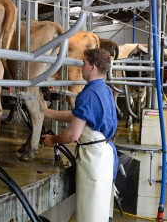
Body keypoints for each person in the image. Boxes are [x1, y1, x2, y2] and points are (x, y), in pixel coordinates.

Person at [41, 48, 118, 222]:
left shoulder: (87, 94)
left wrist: (53, 140)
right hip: (105, 155)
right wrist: (48, 113)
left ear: (92, 67)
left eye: (84, 63)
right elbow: (80, 118)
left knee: (90, 214)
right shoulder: (103, 90)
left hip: (94, 160)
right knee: (100, 212)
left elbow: (73, 135)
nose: (81, 67)